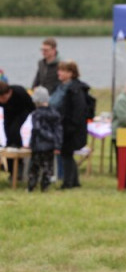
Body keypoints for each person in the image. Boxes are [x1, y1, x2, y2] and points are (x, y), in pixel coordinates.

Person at [49, 61, 88, 189]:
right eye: (59, 70)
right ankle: (74, 181)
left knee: (66, 153)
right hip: (60, 125)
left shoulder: (76, 89)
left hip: (71, 127)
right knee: (66, 154)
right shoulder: (59, 87)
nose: (59, 73)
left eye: (62, 71)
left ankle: (68, 182)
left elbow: (78, 110)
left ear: (71, 73)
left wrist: (71, 126)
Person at [27, 87, 62, 192]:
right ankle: (45, 186)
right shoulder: (55, 113)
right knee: (48, 167)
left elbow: (36, 129)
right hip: (50, 146)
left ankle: (31, 186)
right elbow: (59, 130)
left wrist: (31, 143)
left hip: (38, 145)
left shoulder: (36, 114)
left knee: (34, 167)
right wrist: (57, 143)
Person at [0, 81, 35, 180]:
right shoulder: (2, 100)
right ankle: (12, 171)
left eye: (3, 98)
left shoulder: (20, 93)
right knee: (8, 139)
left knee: (15, 132)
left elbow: (32, 107)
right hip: (9, 115)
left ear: (9, 92)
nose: (2, 101)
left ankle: (19, 168)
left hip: (23, 113)